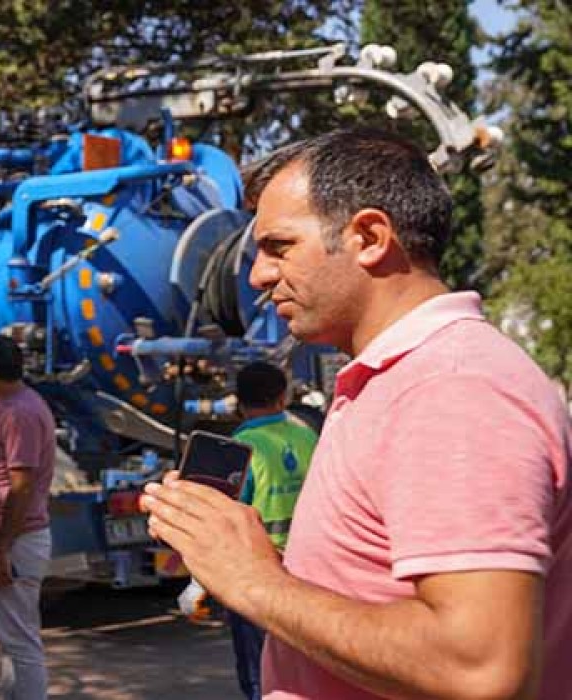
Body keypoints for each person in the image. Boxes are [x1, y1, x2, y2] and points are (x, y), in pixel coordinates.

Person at [140, 128, 570, 700]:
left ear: (369, 236)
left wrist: (255, 582)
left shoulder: (450, 388)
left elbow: (481, 666)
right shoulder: (402, 379)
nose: (258, 277)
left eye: (279, 246)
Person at [0, 334, 57, 700]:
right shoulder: (14, 407)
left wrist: (2, 549)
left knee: (21, 646)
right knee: (13, 643)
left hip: (16, 543)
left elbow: (21, 487)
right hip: (12, 541)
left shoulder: (19, 412)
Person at [228, 361, 318, 700]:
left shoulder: (242, 447)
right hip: (310, 568)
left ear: (239, 402)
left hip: (258, 574)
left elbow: (228, 515)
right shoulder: (307, 435)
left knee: (260, 673)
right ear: (283, 397)